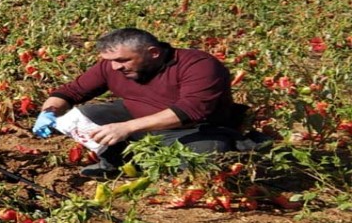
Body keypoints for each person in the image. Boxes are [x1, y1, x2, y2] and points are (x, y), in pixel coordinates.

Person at [31, 28, 245, 179]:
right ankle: (117, 162)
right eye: (110, 61)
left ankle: (154, 169)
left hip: (191, 128)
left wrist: (127, 127)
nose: (115, 67)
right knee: (84, 115)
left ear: (153, 53)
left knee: (204, 157)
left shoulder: (198, 65)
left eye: (123, 61)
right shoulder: (112, 66)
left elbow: (192, 110)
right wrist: (49, 111)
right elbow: (71, 92)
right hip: (136, 117)